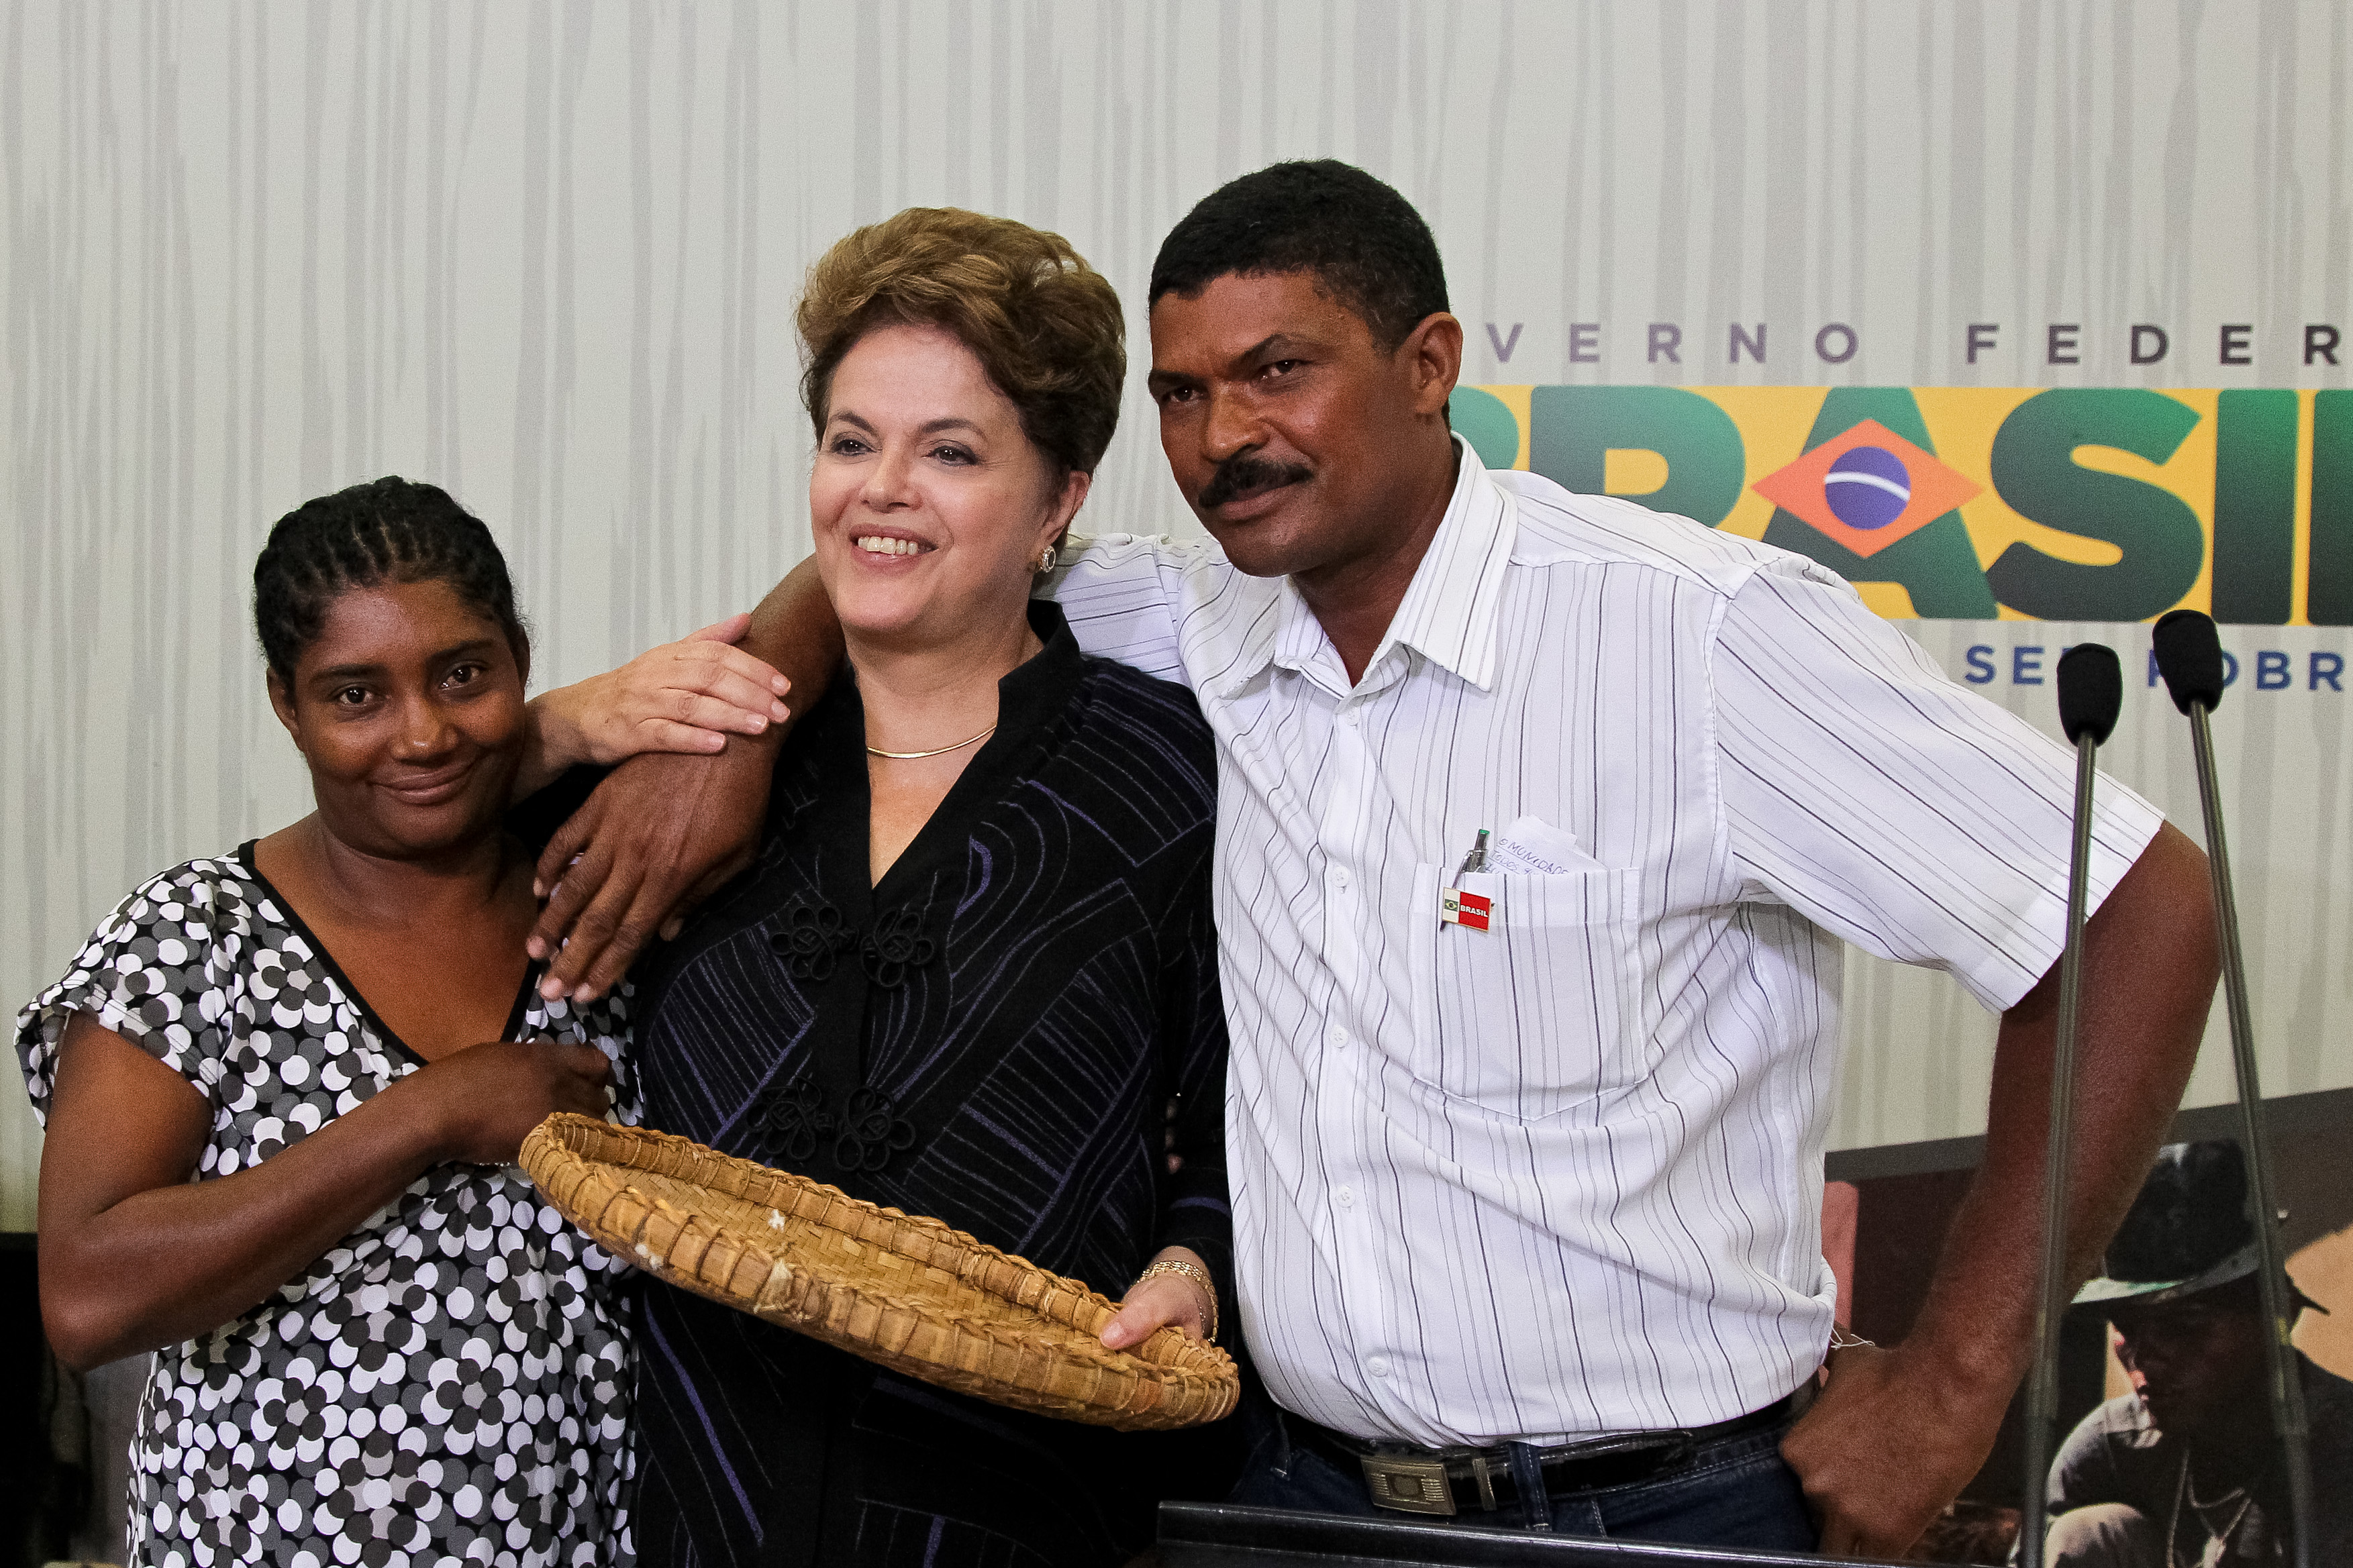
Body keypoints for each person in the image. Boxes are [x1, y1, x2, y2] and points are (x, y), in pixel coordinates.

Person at [523, 161, 2220, 1556]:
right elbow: (912, 546)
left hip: (1668, 1506)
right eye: (1184, 396)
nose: (1223, 438)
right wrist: (733, 721)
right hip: (1292, 1501)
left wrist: (1952, 1379)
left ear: (1426, 362)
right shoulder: (1184, 616)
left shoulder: (1687, 635)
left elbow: (2134, 909)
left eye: (1282, 369)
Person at [610, 209, 1236, 1567]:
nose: (880, 488)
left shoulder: (1166, 775)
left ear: (1061, 497)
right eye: (850, 439)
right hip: (696, 1494)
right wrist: (562, 731)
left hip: (1019, 1510)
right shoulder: (696, 760)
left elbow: (1257, 1104)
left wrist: (1198, 1262)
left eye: (950, 451)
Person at [19, 476, 791, 1567]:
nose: (422, 733)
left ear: (520, 659)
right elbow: (87, 1294)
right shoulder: (199, 935)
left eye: (461, 674)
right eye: (355, 695)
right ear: (288, 703)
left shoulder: (599, 911)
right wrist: (424, 1115)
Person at [2048, 1141, 2353, 1568]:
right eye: (2127, 1327)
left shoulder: (2340, 1452)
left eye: (2185, 1326)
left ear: (2273, 1313)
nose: (2146, 1359)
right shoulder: (2111, 1452)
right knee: (2086, 1534)